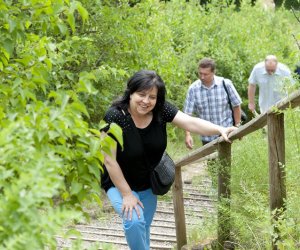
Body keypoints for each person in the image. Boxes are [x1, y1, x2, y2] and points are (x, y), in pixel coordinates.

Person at [101, 70, 237, 250]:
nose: (146, 101)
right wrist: (126, 194)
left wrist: (220, 129)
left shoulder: (161, 110)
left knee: (143, 228)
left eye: (152, 97)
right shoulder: (114, 116)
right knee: (134, 222)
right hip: (118, 182)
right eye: (141, 95)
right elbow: (109, 160)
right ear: (130, 93)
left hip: (148, 182)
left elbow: (190, 122)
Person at [183, 58, 242, 148]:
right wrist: (187, 135)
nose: (202, 77)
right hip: (206, 137)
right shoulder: (193, 89)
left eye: (205, 74)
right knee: (212, 161)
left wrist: (238, 126)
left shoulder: (225, 84)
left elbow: (236, 105)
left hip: (227, 132)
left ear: (213, 72)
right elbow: (187, 115)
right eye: (200, 73)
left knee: (229, 161)